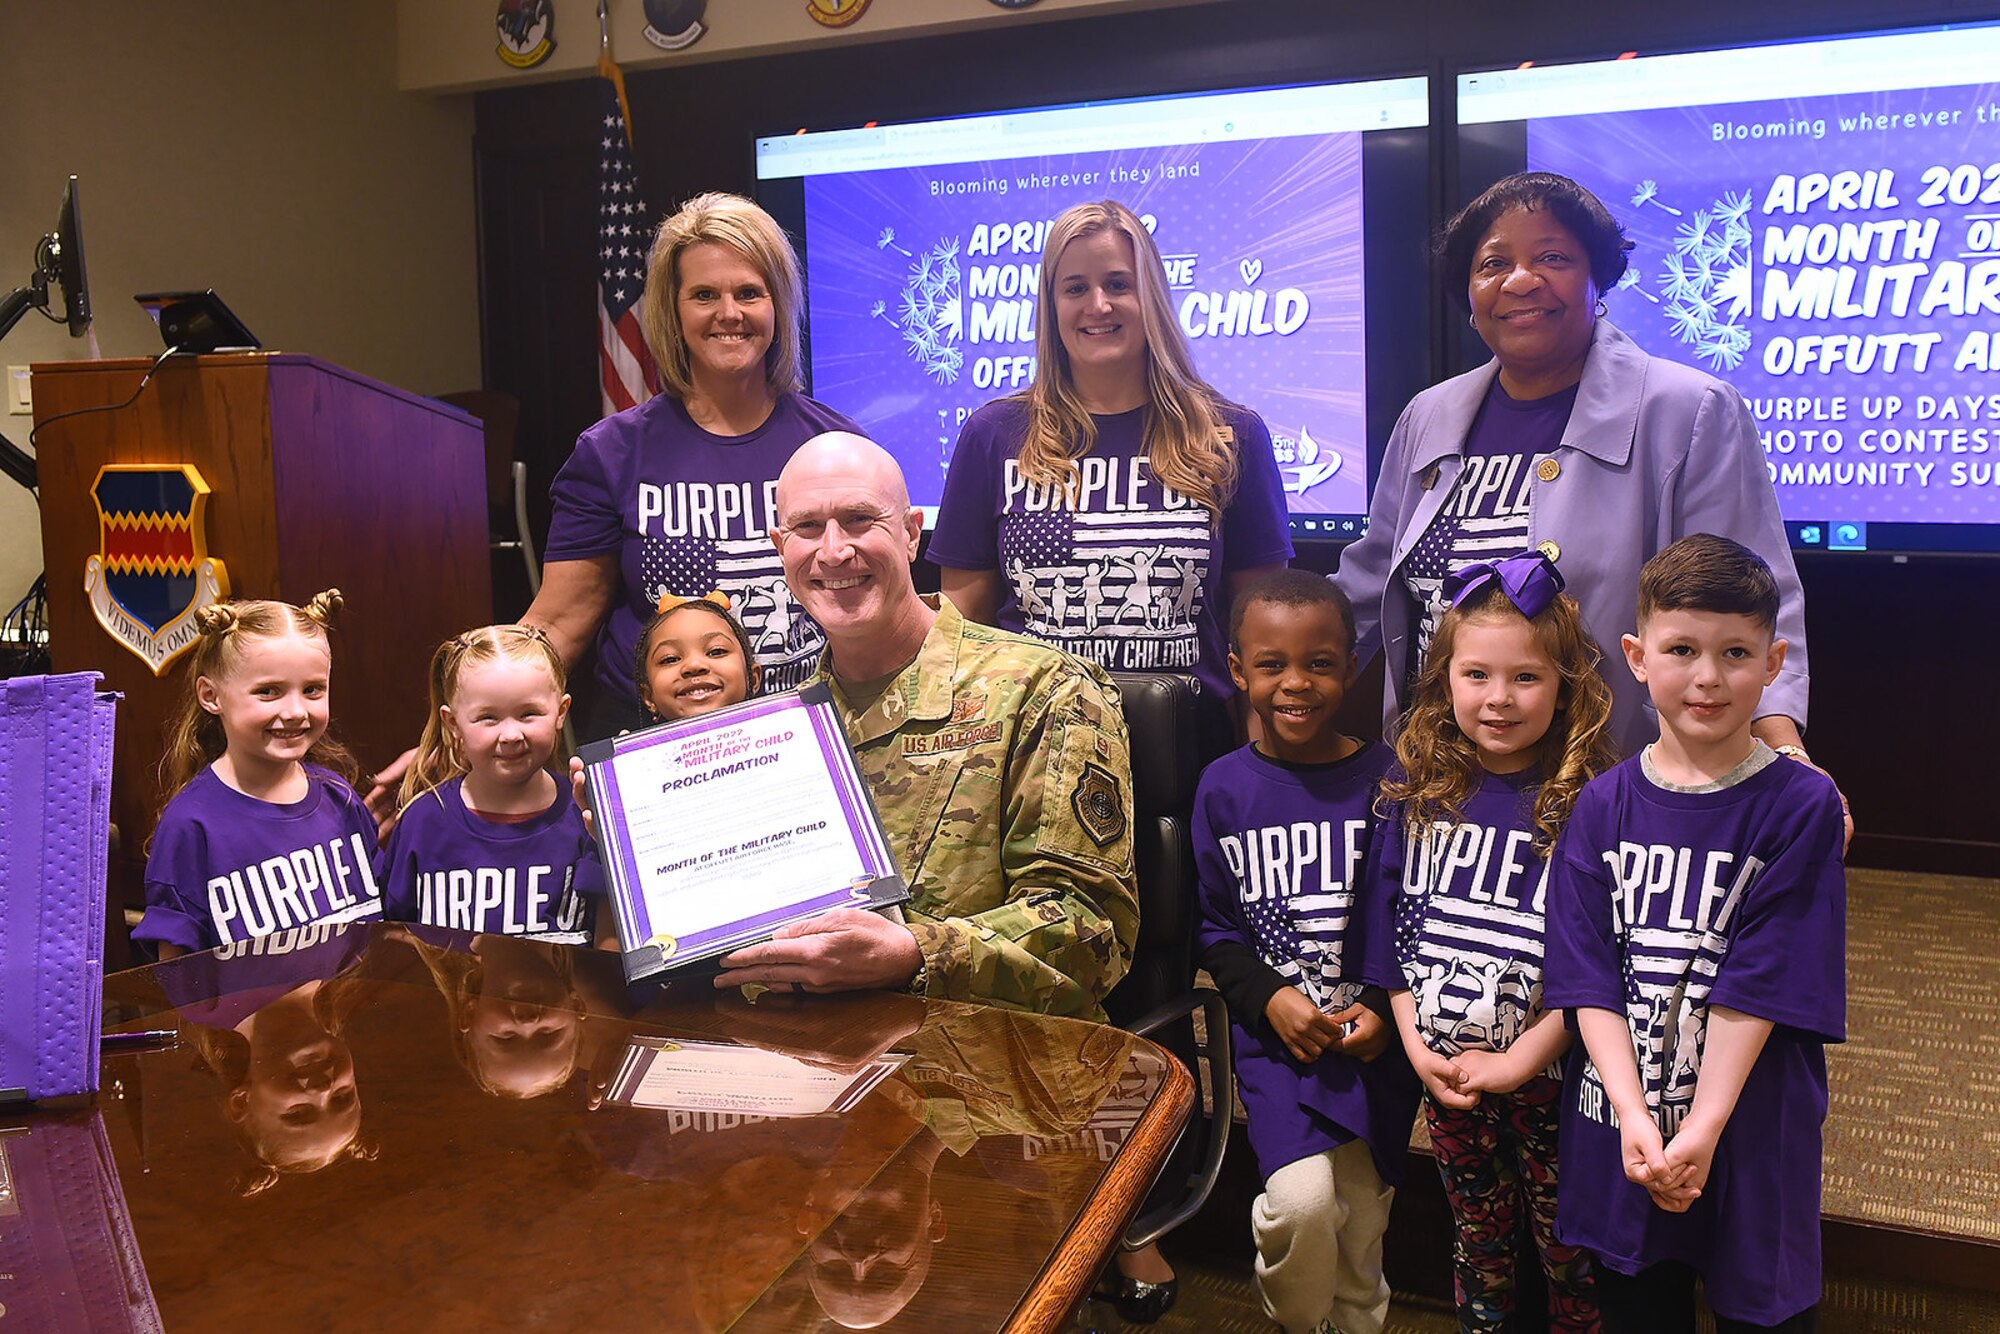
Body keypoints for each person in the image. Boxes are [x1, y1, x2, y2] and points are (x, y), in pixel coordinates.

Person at [365, 193, 859, 825]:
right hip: (651, 756)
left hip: (803, 746)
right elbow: (561, 621)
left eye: (750, 293)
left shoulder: (834, 447)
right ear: (672, 311)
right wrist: (463, 729)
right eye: (704, 295)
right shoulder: (612, 453)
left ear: (779, 305)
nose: (728, 313)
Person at [1332, 171, 1821, 775]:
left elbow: (1746, 595)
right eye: (1492, 264)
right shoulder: (1428, 415)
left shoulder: (1689, 409)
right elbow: (1372, 574)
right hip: (1438, 778)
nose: (1520, 280)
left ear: (1599, 279)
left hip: (1605, 779)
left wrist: (1782, 746)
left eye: (1552, 257)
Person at [710, 430, 1139, 1020]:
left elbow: (1091, 933)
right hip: (815, 1068)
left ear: (912, 532)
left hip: (995, 1080)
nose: (833, 551)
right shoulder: (776, 732)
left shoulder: (1043, 691)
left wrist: (915, 954)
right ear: (780, 546)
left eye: (860, 520)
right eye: (807, 528)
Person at [1545, 534, 1846, 1334]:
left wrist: (1704, 1126)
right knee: (1638, 1307)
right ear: (1639, 656)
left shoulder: (1800, 807)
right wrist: (1636, 1118)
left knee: (1763, 1312)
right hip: (1624, 1127)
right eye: (1682, 649)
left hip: (1750, 1134)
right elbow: (1587, 980)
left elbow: (1767, 982)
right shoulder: (1601, 806)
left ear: (1774, 660)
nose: (1708, 677)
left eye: (1736, 652)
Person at [1373, 551, 1615, 1333]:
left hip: (1554, 1078)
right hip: (1450, 1079)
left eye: (1526, 679)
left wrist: (1521, 1060)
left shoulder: (1589, 803)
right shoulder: (1416, 792)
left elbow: (1598, 966)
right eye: (1476, 675)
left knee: (1568, 1249)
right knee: (1478, 1243)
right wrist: (1415, 1047)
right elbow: (1387, 936)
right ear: (1444, 679)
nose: (1499, 699)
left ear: (1565, 686)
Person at [929, 198, 1292, 719]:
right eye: (1075, 288)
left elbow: (1266, 642)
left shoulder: (1232, 435)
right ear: (1051, 306)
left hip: (1188, 753)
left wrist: (1257, 779)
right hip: (1033, 754)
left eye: (1119, 284)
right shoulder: (993, 435)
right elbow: (963, 635)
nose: (1098, 305)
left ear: (1152, 297)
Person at [1192, 569, 1419, 1334]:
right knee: (1302, 1205)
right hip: (1278, 1047)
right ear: (1237, 670)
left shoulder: (1388, 778)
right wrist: (1269, 1000)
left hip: (1370, 1049)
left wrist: (1389, 1009)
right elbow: (1216, 931)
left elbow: (1411, 913)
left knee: (1359, 1223)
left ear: (1350, 667)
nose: (1297, 683)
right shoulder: (1222, 788)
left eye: (1319, 663)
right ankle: (1300, 1325)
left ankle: (1356, 1324)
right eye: (1272, 664)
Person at [136, 591, 382, 960]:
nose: (296, 710)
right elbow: (178, 974)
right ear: (211, 695)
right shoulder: (190, 825)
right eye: (268, 692)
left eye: (312, 690)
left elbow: (379, 924)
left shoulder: (339, 798)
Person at [376, 625, 597, 945]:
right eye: (488, 718)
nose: (510, 735)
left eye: (529, 714)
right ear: (453, 723)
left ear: (561, 712)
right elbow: (392, 935)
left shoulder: (587, 818)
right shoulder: (423, 821)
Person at [633, 591, 760, 724]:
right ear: (648, 696)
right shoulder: (628, 745)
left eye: (716, 651)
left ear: (752, 679)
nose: (694, 665)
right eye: (670, 659)